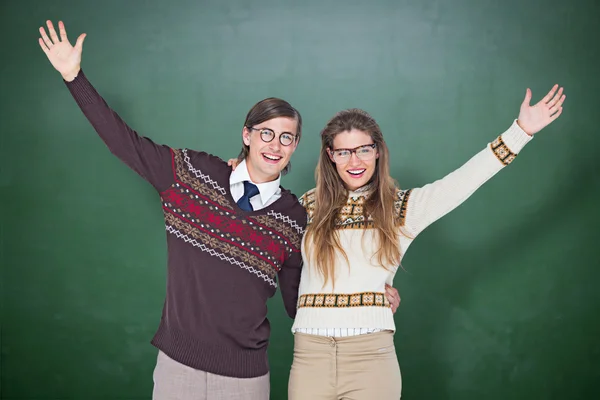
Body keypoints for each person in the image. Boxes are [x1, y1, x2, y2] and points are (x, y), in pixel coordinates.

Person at [37, 19, 316, 400]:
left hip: (245, 378)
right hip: (177, 368)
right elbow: (125, 143)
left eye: (287, 137)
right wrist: (74, 78)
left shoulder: (293, 217)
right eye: (266, 133)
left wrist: (365, 294)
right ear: (247, 135)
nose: (275, 145)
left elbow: (299, 299)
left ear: (295, 146)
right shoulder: (192, 174)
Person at [284, 85, 565, 399]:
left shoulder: (402, 208)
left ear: (377, 150)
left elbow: (461, 181)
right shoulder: (302, 207)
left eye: (363, 149)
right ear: (330, 156)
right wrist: (236, 174)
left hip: (371, 359)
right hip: (310, 357)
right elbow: (257, 237)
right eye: (343, 151)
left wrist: (520, 131)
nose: (354, 160)